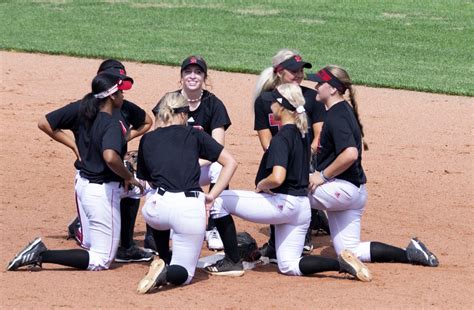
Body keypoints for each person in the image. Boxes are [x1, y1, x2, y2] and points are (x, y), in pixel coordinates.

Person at [204, 83, 371, 282]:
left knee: (220, 200)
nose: (270, 106)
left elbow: (277, 178)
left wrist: (262, 185)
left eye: (273, 102)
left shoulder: (282, 138)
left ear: (282, 107)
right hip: (301, 209)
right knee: (289, 265)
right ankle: (341, 264)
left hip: (283, 205)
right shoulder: (303, 133)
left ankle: (231, 261)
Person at [7, 72, 144, 272]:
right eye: (121, 93)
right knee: (102, 259)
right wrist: (129, 176)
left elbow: (45, 123)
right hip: (102, 193)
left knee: (139, 190)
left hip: (85, 187)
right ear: (112, 96)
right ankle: (41, 254)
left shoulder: (84, 112)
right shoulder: (112, 123)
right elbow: (110, 157)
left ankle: (104, 234)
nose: (124, 97)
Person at [306, 65, 439, 268]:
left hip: (340, 189)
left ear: (332, 89)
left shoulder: (336, 116)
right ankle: (410, 254)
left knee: (290, 191)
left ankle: (280, 250)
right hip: (353, 192)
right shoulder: (341, 110)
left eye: (320, 83)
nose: (316, 86)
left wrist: (322, 176)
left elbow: (350, 154)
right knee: (349, 252)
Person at [37, 59, 154, 263]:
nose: (123, 94)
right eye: (119, 88)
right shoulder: (88, 111)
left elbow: (146, 122)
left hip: (109, 178)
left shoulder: (118, 110)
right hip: (96, 183)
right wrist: (73, 145)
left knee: (137, 189)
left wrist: (124, 139)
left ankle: (126, 245)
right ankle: (77, 230)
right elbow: (45, 123)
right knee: (95, 250)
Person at [135, 92, 237, 294]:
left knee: (157, 198)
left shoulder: (148, 139)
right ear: (183, 114)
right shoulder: (195, 135)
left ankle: (163, 256)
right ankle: (166, 270)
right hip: (188, 211)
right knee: (183, 275)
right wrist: (212, 195)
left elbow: (147, 179)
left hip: (155, 211)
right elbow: (231, 163)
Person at [144, 55, 231, 252]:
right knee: (149, 176)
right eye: (188, 72)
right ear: (181, 77)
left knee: (219, 167)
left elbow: (218, 147)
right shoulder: (170, 100)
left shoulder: (213, 104)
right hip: (172, 169)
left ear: (205, 77)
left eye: (198, 72)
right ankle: (155, 230)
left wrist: (191, 163)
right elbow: (156, 139)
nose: (193, 76)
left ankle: (213, 226)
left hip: (201, 167)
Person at [253, 49, 328, 260]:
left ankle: (304, 232)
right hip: (279, 153)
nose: (299, 75)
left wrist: (304, 155)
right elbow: (265, 140)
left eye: (301, 71)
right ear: (279, 72)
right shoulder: (264, 100)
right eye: (293, 71)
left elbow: (319, 134)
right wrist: (281, 155)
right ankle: (278, 238)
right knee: (269, 176)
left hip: (307, 156)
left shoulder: (311, 97)